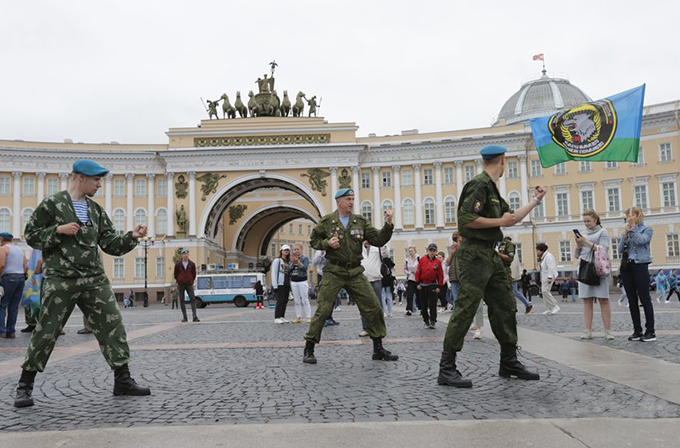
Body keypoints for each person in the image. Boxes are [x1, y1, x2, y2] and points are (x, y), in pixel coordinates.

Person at [14, 159, 150, 408]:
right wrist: (58, 230)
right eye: (96, 180)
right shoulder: (52, 205)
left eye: (100, 180)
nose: (99, 184)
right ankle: (25, 385)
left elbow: (109, 243)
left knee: (113, 326)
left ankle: (123, 380)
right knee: (47, 330)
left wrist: (132, 236)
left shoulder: (96, 210)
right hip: (62, 280)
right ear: (80, 178)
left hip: (94, 279)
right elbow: (31, 236)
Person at [438, 145, 545, 388]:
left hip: (490, 254)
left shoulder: (493, 189)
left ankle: (508, 361)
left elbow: (513, 217)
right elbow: (466, 219)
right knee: (466, 308)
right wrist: (499, 221)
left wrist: (536, 200)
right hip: (474, 253)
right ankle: (447, 368)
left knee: (506, 305)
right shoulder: (480, 184)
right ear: (503, 160)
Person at [303, 188, 397, 364]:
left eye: (353, 199)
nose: (351, 202)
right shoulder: (327, 221)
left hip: (355, 271)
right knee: (323, 310)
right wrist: (327, 243)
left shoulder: (360, 221)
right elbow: (314, 240)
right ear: (338, 201)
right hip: (334, 271)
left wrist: (388, 223)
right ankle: (309, 348)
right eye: (348, 199)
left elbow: (378, 239)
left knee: (373, 306)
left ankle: (378, 348)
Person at [574, 209, 613, 340]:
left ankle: (607, 331)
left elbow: (603, 249)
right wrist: (578, 245)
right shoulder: (583, 234)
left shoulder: (603, 232)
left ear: (595, 220)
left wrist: (585, 241)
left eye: (588, 221)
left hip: (599, 269)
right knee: (587, 300)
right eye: (584, 221)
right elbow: (576, 255)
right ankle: (587, 331)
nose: (586, 224)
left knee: (603, 299)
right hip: (585, 267)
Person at [618, 206, 655, 342]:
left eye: (631, 215)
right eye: (628, 215)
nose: (629, 217)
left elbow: (641, 241)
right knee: (632, 299)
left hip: (640, 265)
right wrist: (625, 235)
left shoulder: (647, 229)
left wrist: (633, 228)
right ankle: (637, 330)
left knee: (644, 299)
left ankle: (650, 331)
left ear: (638, 216)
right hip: (627, 266)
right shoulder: (627, 230)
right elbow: (620, 248)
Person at [0, 232, 28, 339]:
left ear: (2, 239)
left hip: (8, 277)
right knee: (14, 306)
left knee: (2, 305)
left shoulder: (3, 249)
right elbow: (25, 266)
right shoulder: (20, 250)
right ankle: (11, 331)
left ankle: (2, 331)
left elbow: (2, 265)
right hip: (21, 277)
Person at [360, 241, 388, 336]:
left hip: (376, 278)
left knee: (378, 304)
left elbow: (385, 254)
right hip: (363, 279)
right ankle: (366, 328)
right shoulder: (359, 247)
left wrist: (381, 241)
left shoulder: (377, 247)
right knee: (363, 304)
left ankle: (380, 327)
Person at [499, 236, 532, 314]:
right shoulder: (511, 248)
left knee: (513, 291)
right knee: (513, 291)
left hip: (510, 273)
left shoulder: (509, 248)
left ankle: (525, 305)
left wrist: (512, 275)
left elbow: (512, 263)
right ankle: (526, 305)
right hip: (511, 273)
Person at [416, 243, 443, 329]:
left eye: (433, 251)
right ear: (428, 251)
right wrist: (417, 283)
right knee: (423, 304)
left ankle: (433, 321)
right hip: (423, 284)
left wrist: (439, 286)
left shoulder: (437, 262)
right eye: (430, 250)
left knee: (432, 304)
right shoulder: (422, 259)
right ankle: (426, 320)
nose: (432, 252)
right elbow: (418, 271)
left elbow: (441, 274)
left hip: (433, 285)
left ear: (436, 252)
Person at [173, 249, 200, 323]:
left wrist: (191, 280)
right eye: (184, 254)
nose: (186, 255)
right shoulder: (178, 264)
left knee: (193, 299)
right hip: (181, 284)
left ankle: (194, 316)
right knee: (182, 300)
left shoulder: (192, 264)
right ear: (182, 255)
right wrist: (179, 280)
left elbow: (194, 274)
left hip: (189, 284)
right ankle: (185, 317)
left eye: (187, 254)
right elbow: (175, 274)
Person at [20, 249, 42, 333]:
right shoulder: (35, 250)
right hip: (34, 281)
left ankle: (35, 323)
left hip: (39, 280)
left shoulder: (39, 250)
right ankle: (32, 323)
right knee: (31, 301)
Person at [289, 243, 312, 323]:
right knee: (296, 300)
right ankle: (298, 316)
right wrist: (292, 262)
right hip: (294, 281)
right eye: (294, 249)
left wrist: (298, 262)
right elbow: (289, 269)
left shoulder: (305, 258)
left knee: (305, 300)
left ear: (301, 250)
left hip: (302, 281)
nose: (296, 251)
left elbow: (304, 268)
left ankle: (308, 316)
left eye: (297, 249)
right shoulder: (291, 259)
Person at [536, 243, 559, 315]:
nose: (537, 252)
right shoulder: (543, 257)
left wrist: (550, 277)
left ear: (542, 250)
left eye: (538, 250)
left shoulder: (548, 256)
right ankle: (549, 308)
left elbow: (551, 267)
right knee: (544, 292)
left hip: (549, 276)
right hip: (545, 276)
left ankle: (555, 306)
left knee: (545, 291)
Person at [271, 245, 292, 324]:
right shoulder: (277, 260)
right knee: (280, 300)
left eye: (287, 250)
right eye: (284, 250)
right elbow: (274, 273)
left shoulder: (287, 261)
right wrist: (275, 285)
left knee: (285, 300)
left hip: (286, 283)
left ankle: (282, 316)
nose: (286, 251)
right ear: (281, 251)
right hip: (280, 284)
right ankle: (277, 317)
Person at [445, 231, 462, 310]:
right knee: (455, 298)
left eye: (458, 238)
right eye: (455, 239)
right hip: (453, 276)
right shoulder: (453, 248)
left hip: (463, 275)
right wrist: (452, 253)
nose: (456, 241)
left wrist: (460, 246)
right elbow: (447, 263)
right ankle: (458, 318)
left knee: (463, 298)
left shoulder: (465, 247)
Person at [403, 246, 419, 316]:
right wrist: (408, 273)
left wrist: (418, 271)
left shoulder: (418, 258)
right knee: (409, 295)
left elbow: (422, 267)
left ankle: (421, 309)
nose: (410, 252)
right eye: (409, 251)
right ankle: (409, 310)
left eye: (411, 251)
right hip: (410, 278)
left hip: (418, 278)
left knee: (419, 294)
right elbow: (405, 269)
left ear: (415, 251)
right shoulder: (407, 260)